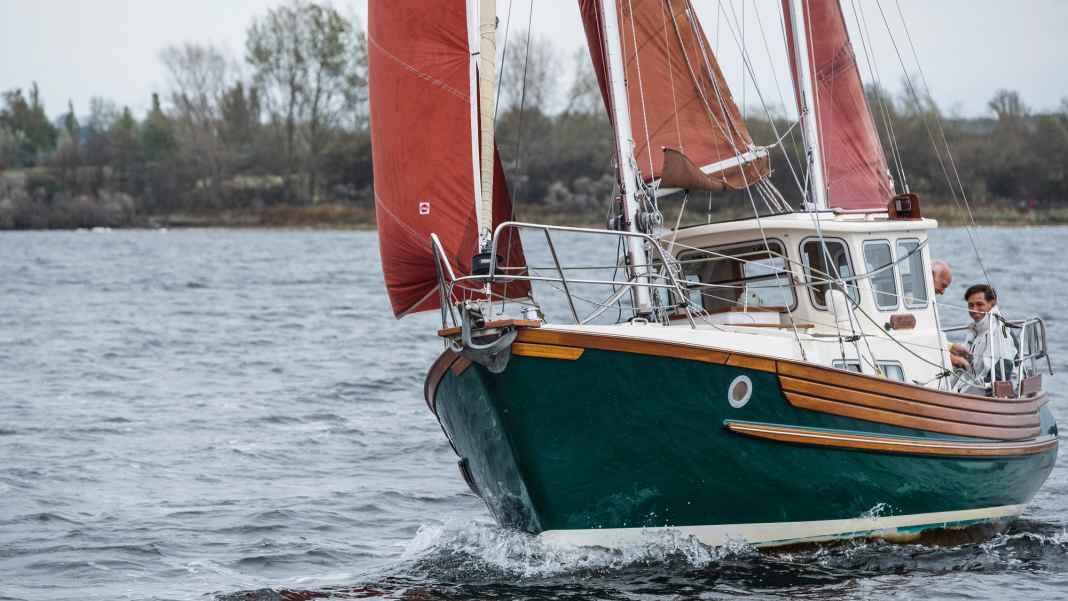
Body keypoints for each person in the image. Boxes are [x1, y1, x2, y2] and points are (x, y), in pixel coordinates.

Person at [951, 284, 1017, 393]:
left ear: (992, 303)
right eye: (970, 305)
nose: (974, 309)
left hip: (992, 390)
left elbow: (1000, 377)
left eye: (979, 304)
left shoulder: (1000, 330)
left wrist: (961, 392)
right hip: (973, 384)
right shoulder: (974, 331)